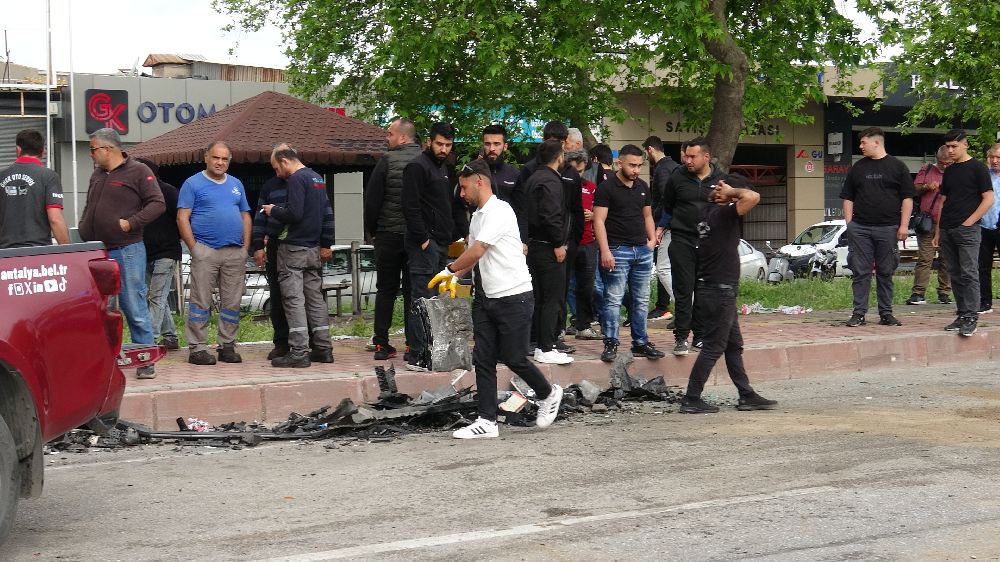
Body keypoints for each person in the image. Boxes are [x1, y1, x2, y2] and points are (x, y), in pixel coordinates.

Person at [432, 159, 564, 439]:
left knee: (514, 357)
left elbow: (478, 249)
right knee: (483, 358)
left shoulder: (500, 211)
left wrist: (449, 270)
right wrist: (455, 276)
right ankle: (486, 421)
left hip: (514, 295)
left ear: (479, 182)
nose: (461, 193)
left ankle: (548, 393)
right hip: (486, 297)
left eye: (464, 187)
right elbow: (472, 255)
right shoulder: (477, 217)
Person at [679, 176, 777, 413]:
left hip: (715, 290)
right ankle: (691, 398)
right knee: (714, 346)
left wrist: (727, 193)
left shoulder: (707, 213)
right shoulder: (723, 214)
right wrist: (732, 192)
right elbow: (753, 197)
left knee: (733, 345)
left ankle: (746, 394)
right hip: (719, 291)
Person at [79, 128, 165, 379]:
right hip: (98, 251)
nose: (91, 154)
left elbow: (158, 203)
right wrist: (84, 225)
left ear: (107, 149)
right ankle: (107, 359)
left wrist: (131, 223)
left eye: (93, 149)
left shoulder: (138, 171)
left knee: (133, 305)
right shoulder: (97, 174)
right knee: (101, 309)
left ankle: (145, 359)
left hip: (126, 251)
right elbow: (89, 205)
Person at [177, 142, 251, 366]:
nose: (220, 163)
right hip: (206, 251)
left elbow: (245, 216)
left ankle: (227, 345)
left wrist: (245, 248)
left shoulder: (236, 184)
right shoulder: (192, 183)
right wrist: (195, 249)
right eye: (216, 158)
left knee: (232, 302)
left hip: (234, 252)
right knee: (200, 301)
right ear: (206, 157)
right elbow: (182, 217)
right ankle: (197, 348)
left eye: (225, 159)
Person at [263, 145, 336, 367]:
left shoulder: (296, 179)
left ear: (285, 161)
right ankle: (323, 348)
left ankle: (299, 352)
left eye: (277, 168)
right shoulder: (317, 178)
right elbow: (326, 213)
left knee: (293, 300)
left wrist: (273, 210)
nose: (277, 174)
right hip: (313, 249)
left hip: (293, 249)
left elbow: (294, 213)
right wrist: (326, 242)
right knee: (315, 299)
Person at [593, 144, 665, 362]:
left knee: (641, 299)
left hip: (642, 250)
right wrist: (605, 250)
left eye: (639, 165)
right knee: (613, 298)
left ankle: (640, 342)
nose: (636, 170)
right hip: (617, 249)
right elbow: (598, 220)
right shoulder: (606, 188)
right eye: (632, 165)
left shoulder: (642, 186)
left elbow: (647, 216)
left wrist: (651, 240)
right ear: (619, 163)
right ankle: (611, 342)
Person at [401, 122, 462, 371]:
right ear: (429, 141)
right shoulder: (417, 166)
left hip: (439, 242)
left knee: (434, 299)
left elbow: (447, 205)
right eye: (439, 144)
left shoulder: (443, 168)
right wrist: (423, 238)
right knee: (422, 298)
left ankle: (430, 350)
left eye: (448, 145)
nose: (443, 149)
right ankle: (417, 353)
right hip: (424, 243)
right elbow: (410, 205)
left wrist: (453, 234)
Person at [839, 127, 915, 328]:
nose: (860, 146)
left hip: (888, 228)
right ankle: (858, 313)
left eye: (863, 142)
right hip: (860, 228)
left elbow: (907, 198)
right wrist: (850, 225)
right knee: (860, 272)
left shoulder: (898, 166)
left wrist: (904, 226)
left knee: (885, 272)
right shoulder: (858, 168)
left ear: (877, 142)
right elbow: (847, 197)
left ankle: (886, 313)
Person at [364, 118, 422, 361]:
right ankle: (412, 345)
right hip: (416, 238)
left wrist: (373, 230)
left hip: (388, 235)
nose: (387, 138)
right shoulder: (424, 161)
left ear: (403, 137)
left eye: (390, 134)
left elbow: (372, 200)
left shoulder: (386, 161)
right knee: (412, 291)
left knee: (385, 290)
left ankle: (381, 343)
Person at [662, 137, 722, 355]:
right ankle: (681, 337)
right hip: (682, 240)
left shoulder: (720, 179)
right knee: (683, 291)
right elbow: (667, 204)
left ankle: (700, 336)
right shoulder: (677, 176)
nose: (687, 160)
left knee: (704, 292)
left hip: (708, 243)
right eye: (686, 156)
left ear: (706, 157)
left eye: (692, 156)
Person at [934, 130, 994, 336]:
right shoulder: (950, 170)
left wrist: (970, 221)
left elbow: (989, 199)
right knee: (955, 273)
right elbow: (943, 202)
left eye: (954, 146)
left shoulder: (978, 168)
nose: (950, 150)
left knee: (969, 273)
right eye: (948, 146)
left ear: (965, 144)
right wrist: (938, 231)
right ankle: (962, 313)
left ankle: (971, 316)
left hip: (968, 230)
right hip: (947, 228)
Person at [524, 139, 574, 364]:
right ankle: (545, 347)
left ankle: (538, 343)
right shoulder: (551, 181)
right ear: (559, 156)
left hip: (533, 245)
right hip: (548, 246)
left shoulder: (533, 178)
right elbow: (551, 215)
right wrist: (558, 243)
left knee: (539, 298)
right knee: (552, 298)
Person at [137, 157, 181, 351]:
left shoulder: (169, 192)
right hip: (145, 253)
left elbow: (182, 218)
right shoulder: (136, 195)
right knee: (157, 297)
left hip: (166, 252)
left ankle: (149, 340)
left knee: (156, 297)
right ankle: (170, 337)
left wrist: (178, 239)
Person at [0, 129, 70, 249]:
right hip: (38, 252)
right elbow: (55, 219)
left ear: (18, 149)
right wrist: (68, 251)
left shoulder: (2, 176)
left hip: (5, 253)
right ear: (43, 151)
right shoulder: (49, 176)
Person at [251, 175, 292, 359]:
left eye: (278, 166)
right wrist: (258, 245)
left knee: (307, 295)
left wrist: (325, 243)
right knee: (277, 294)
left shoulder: (308, 181)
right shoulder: (270, 185)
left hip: (302, 243)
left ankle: (312, 341)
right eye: (274, 168)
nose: (277, 171)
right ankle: (281, 342)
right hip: (275, 243)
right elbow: (259, 217)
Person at [564, 150, 602, 340]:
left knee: (587, 286)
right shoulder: (561, 186)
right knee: (563, 286)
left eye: (579, 171)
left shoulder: (592, 187)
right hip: (567, 242)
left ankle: (584, 325)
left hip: (588, 242)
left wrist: (593, 215)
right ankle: (559, 327)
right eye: (573, 170)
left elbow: (602, 213)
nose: (576, 175)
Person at [907, 147, 952, 306]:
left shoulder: (956, 172)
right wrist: (926, 186)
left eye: (947, 163)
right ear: (936, 159)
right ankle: (918, 293)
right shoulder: (926, 169)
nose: (944, 166)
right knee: (925, 258)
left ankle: (944, 293)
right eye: (941, 162)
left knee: (947, 259)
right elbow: (914, 189)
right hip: (928, 222)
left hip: (947, 222)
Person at [643, 135, 679, 320]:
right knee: (672, 268)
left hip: (666, 226)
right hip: (677, 225)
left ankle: (679, 306)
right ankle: (673, 307)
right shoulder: (675, 167)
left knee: (663, 267)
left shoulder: (662, 169)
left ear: (650, 149)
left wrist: (659, 225)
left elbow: (666, 199)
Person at [976, 143, 1000, 313]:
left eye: (998, 157)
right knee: (982, 266)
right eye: (992, 157)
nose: (994, 161)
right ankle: (984, 302)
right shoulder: (984, 176)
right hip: (984, 225)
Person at [481, 124, 520, 202]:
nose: (491, 149)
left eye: (496, 144)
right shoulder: (472, 172)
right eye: (487, 144)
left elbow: (521, 205)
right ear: (483, 146)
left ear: (505, 147)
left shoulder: (514, 174)